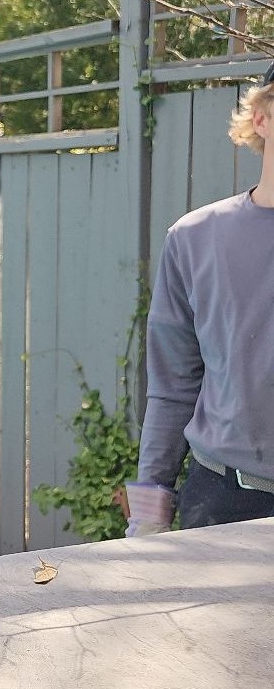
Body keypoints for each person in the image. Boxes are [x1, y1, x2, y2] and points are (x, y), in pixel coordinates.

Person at [127, 62, 274, 536]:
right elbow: (173, 384)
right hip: (223, 503)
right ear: (263, 117)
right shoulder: (195, 238)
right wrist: (148, 514)